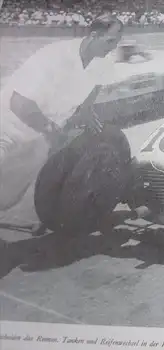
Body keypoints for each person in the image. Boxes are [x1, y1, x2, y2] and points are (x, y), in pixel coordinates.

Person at [0, 13, 124, 234]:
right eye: (110, 41)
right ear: (94, 35)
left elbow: (95, 88)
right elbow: (18, 102)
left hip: (38, 137)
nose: (113, 47)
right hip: (7, 126)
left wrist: (86, 111)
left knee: (9, 195)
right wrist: (49, 128)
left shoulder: (105, 61)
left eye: (117, 42)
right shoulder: (54, 56)